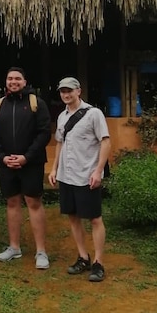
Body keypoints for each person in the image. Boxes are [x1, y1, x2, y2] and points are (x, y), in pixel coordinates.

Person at [0, 67, 52, 270]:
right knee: (12, 202)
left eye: (17, 78)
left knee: (33, 202)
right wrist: (2, 157)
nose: (13, 81)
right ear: (5, 82)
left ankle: (41, 251)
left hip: (30, 164)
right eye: (10, 78)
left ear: (25, 82)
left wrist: (26, 157)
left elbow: (44, 133)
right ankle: (14, 247)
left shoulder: (36, 103)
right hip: (7, 164)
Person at [48, 77, 111, 282]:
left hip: (87, 175)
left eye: (70, 91)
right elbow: (59, 143)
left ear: (78, 91)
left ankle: (99, 263)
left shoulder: (94, 114)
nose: (66, 95)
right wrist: (54, 168)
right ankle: (83, 257)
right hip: (67, 175)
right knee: (73, 216)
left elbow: (106, 142)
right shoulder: (61, 117)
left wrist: (98, 170)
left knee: (94, 218)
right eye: (62, 91)